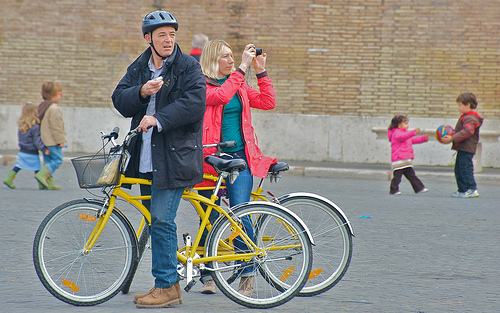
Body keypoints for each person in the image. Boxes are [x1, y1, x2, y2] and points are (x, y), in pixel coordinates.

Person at [111, 10, 206, 308]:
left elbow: (194, 104)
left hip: (175, 157)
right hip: (145, 158)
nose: (168, 40)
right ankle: (170, 287)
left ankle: (165, 285)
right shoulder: (140, 67)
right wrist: (140, 92)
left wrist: (157, 118)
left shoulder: (188, 67)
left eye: (172, 34)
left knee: (163, 220)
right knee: (156, 222)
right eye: (162, 34)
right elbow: (119, 99)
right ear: (148, 38)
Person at [197, 39, 276, 296]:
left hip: (240, 157)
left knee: (241, 213)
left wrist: (260, 71)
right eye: (226, 57)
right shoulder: (201, 86)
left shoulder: (239, 84)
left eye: (233, 56)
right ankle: (209, 274)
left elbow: (267, 102)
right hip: (211, 159)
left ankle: (247, 272)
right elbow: (220, 96)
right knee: (208, 217)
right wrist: (242, 68)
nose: (232, 61)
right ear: (212, 60)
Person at [441, 92, 483, 198]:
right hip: (462, 147)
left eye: (460, 105)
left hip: (467, 148)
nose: (458, 108)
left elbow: (467, 131)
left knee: (465, 168)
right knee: (458, 169)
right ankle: (462, 189)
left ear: (468, 105)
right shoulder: (466, 117)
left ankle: (472, 188)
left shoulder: (471, 118)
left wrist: (452, 138)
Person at [3, 103, 50, 189]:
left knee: (18, 166)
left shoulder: (21, 126)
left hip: (22, 151)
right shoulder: (35, 127)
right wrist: (43, 149)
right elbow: (37, 141)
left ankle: (8, 178)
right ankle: (41, 184)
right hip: (32, 152)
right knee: (37, 168)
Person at [35, 82, 67, 190]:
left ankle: (47, 183)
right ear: (54, 95)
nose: (61, 96)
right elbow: (56, 127)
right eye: (60, 93)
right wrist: (61, 140)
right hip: (52, 141)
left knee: (48, 161)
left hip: (44, 140)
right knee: (58, 160)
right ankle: (41, 175)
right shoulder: (54, 108)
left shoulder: (43, 106)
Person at [387, 114, 429, 195]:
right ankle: (393, 190)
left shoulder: (406, 134)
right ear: (399, 125)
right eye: (405, 123)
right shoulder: (396, 134)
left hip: (406, 159)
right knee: (397, 177)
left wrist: (423, 138)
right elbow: (403, 136)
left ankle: (419, 188)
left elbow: (413, 140)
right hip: (399, 159)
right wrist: (413, 132)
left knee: (412, 176)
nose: (407, 125)